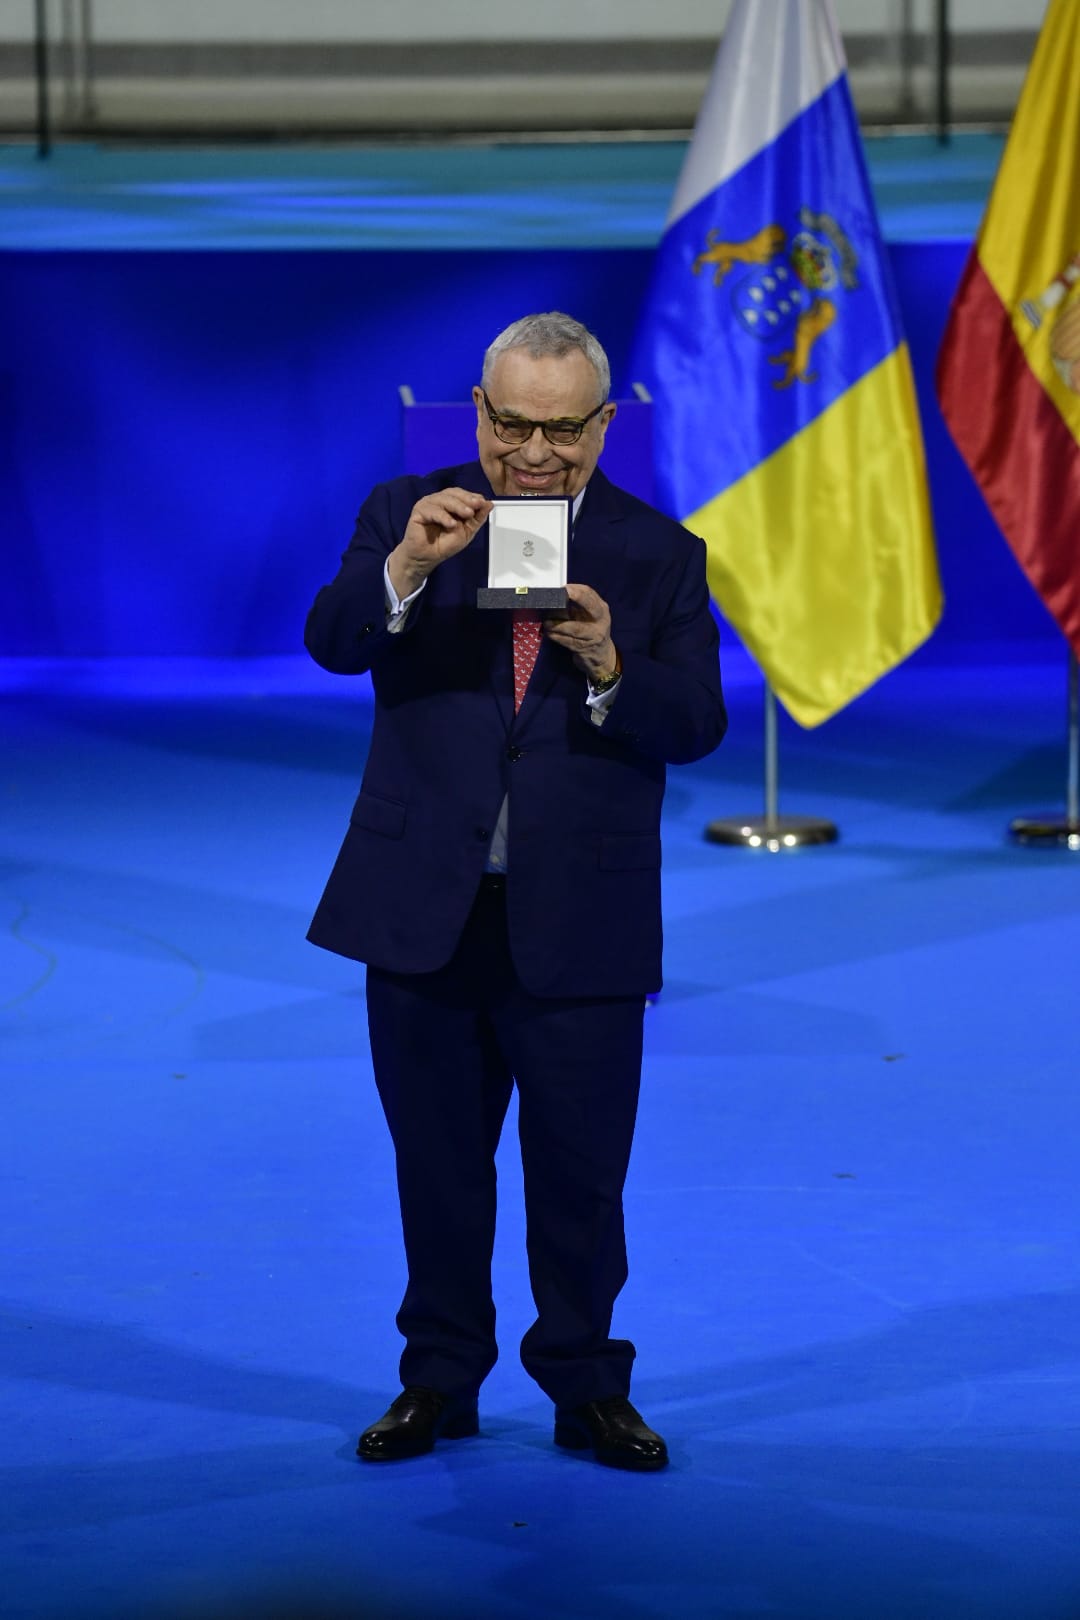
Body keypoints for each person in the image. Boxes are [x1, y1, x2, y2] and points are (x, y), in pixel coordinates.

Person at [304, 311, 726, 1471]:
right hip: (423, 911)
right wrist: (405, 571)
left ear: (604, 423)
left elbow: (697, 723)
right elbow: (333, 640)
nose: (535, 454)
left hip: (579, 918)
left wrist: (610, 666)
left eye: (563, 430)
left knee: (582, 1177)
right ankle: (437, 1377)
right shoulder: (405, 512)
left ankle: (587, 1384)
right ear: (476, 412)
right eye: (510, 425)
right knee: (435, 1168)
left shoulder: (660, 554)